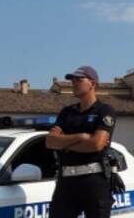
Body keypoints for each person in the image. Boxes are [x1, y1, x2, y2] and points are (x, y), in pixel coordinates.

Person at [46, 66, 117, 218]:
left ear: (93, 84)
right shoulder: (67, 112)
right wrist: (81, 137)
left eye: (79, 79)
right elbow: (50, 141)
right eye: (72, 80)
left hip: (94, 181)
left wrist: (64, 142)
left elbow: (96, 144)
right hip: (66, 182)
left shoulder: (104, 111)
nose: (74, 83)